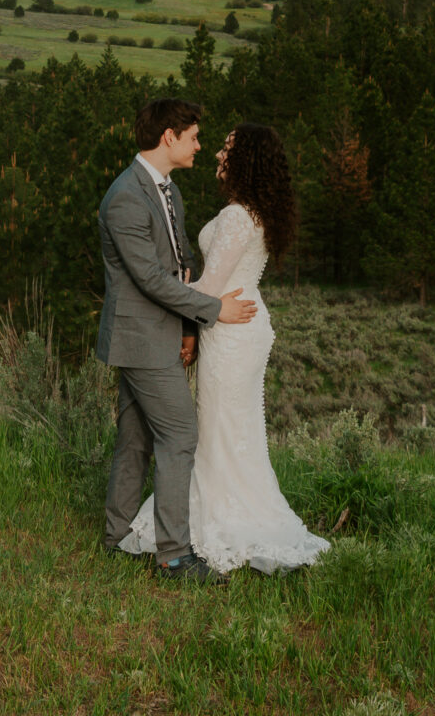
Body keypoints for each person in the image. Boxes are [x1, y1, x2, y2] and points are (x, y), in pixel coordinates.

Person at [118, 123, 331, 574]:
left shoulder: (237, 215)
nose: (217, 154)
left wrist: (184, 303)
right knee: (236, 430)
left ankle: (217, 524)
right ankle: (222, 516)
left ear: (246, 160)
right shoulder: (255, 210)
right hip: (238, 321)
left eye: (227, 149)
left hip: (231, 328)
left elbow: (212, 286)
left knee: (217, 430)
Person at [97, 99, 257, 584]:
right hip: (141, 336)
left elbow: (181, 263)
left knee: (136, 439)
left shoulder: (168, 192)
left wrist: (188, 330)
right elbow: (149, 278)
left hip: (163, 333)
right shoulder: (125, 196)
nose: (199, 145)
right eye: (193, 137)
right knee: (180, 435)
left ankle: (116, 536)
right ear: (168, 136)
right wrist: (214, 312)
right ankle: (173, 556)